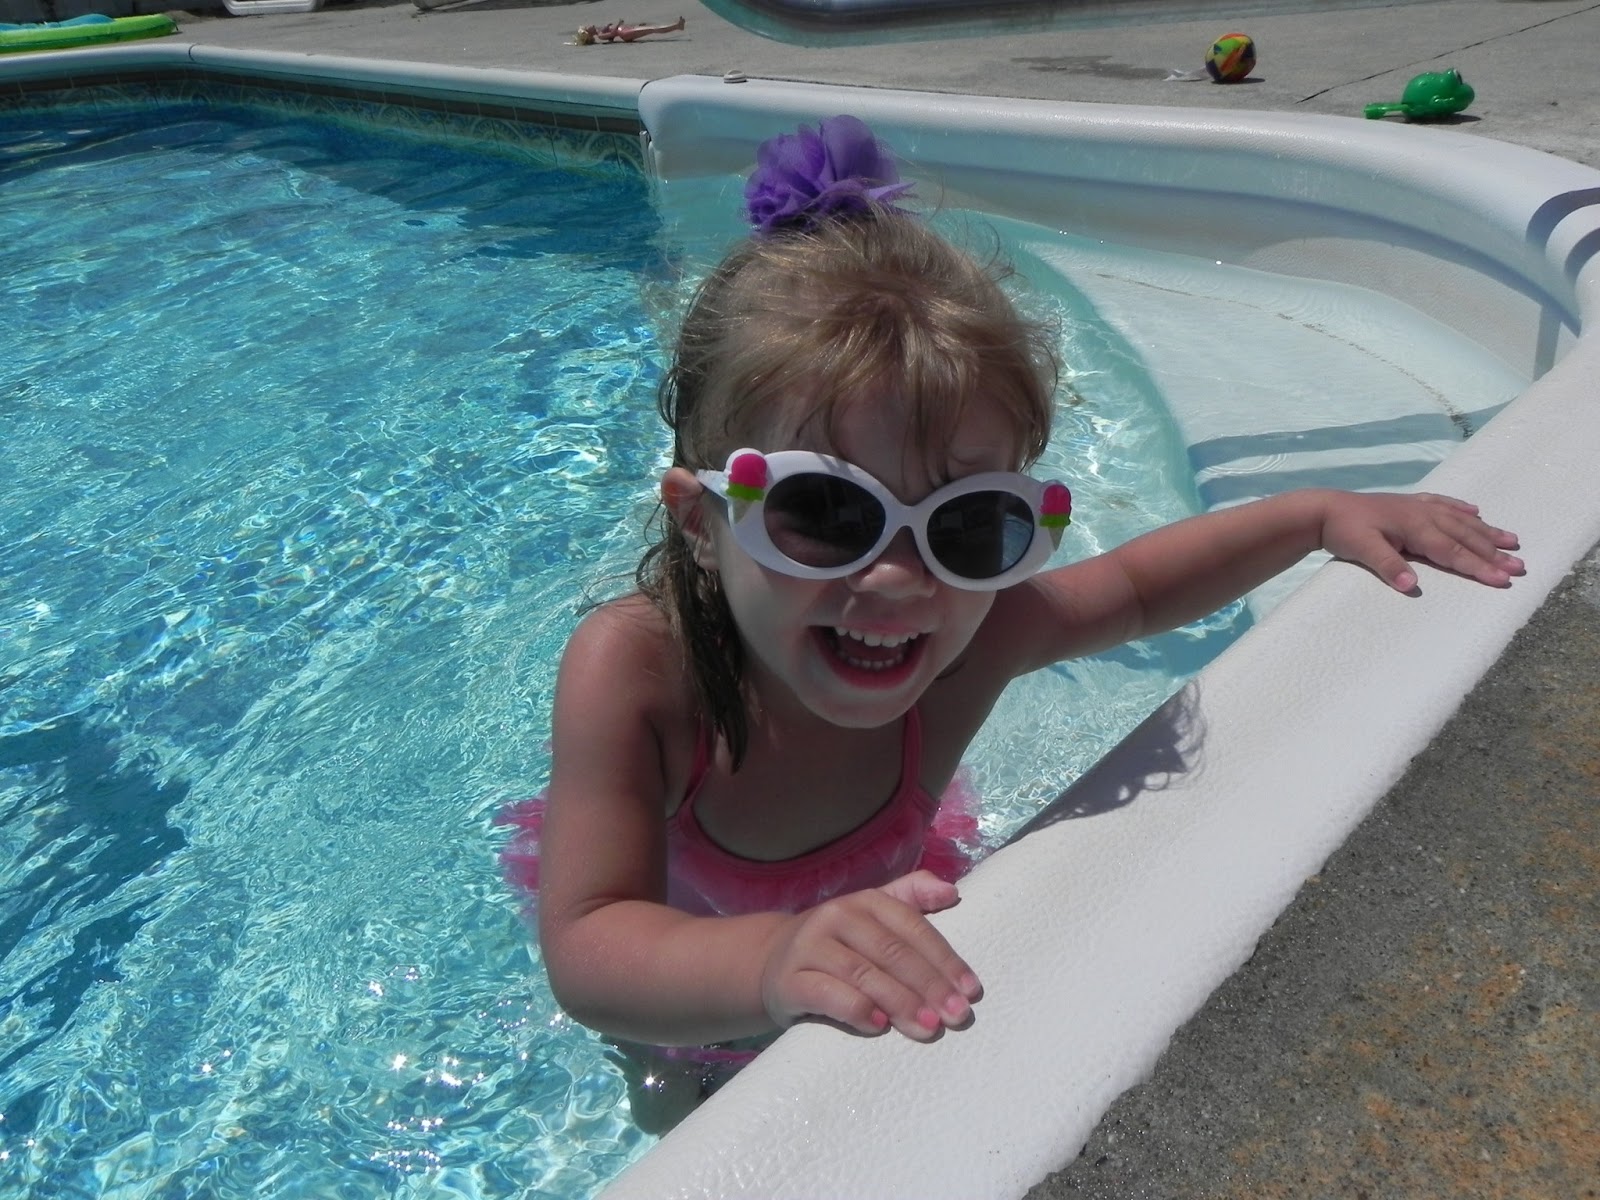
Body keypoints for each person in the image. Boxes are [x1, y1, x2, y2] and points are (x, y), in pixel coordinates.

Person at [502, 115, 1523, 1113]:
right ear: (700, 523)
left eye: (970, 525)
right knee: (684, 1110)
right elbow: (592, 942)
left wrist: (1309, 516)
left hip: (876, 918)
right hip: (688, 976)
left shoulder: (974, 642)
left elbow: (1133, 590)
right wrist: (769, 957)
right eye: (824, 511)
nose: (900, 581)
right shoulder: (640, 674)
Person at [574, 15, 685, 45]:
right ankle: (677, 26)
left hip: (626, 30)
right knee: (652, 29)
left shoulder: (599, 32)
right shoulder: (600, 36)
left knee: (651, 29)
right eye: (586, 27)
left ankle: (677, 26)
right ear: (588, 33)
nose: (589, 25)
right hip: (625, 33)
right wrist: (618, 24)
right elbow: (612, 34)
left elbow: (611, 37)